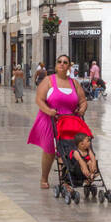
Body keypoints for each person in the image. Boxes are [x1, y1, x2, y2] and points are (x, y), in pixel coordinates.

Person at [27, 54, 87, 189]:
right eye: (59, 62)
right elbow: (39, 99)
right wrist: (49, 111)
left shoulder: (74, 83)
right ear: (55, 65)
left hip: (69, 119)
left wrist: (82, 109)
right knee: (50, 149)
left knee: (67, 148)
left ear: (69, 66)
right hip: (49, 118)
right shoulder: (48, 80)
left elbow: (83, 101)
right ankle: (44, 177)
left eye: (65, 62)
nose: (62, 64)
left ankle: (66, 179)